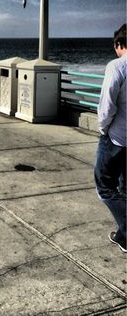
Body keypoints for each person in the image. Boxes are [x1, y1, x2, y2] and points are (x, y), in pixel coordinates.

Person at [96, 24, 126, 254]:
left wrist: (103, 129)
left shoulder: (116, 66)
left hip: (117, 139)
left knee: (105, 186)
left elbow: (107, 106)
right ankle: (123, 235)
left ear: (119, 44)